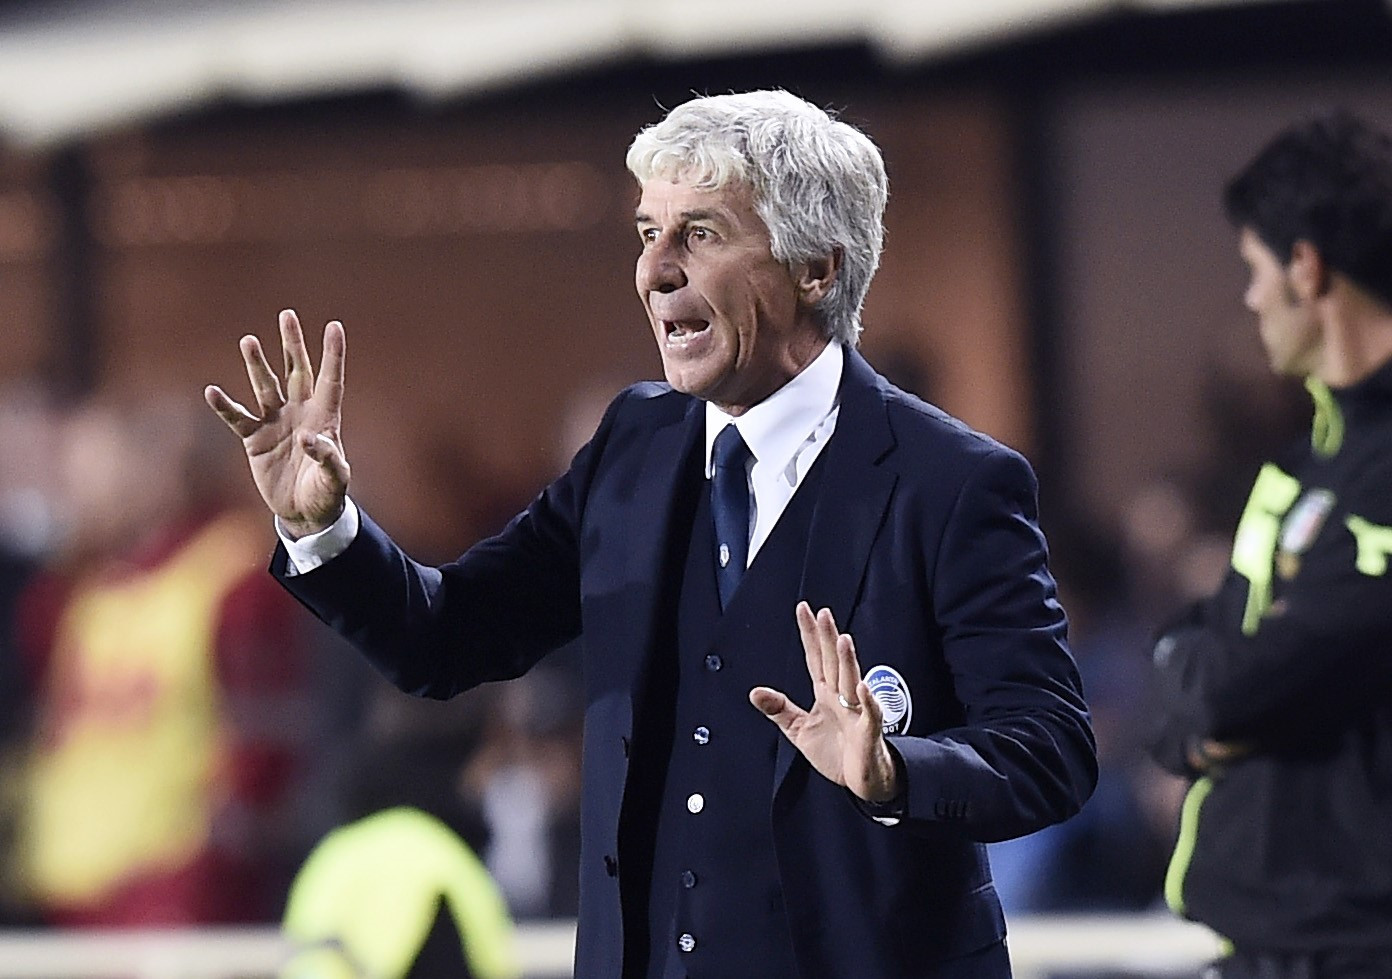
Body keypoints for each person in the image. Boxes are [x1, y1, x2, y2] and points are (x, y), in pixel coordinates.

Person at [207, 90, 1096, 978]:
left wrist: (897, 770)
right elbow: (448, 636)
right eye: (647, 233)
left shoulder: (951, 481)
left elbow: (1050, 747)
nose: (654, 270)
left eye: (700, 234)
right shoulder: (633, 446)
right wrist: (321, 525)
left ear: (818, 270)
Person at [1150, 111, 1392, 978]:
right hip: (1265, 948)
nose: (1251, 299)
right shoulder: (1301, 467)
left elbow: (1255, 680)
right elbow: (1198, 673)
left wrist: (1212, 699)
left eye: (1255, 270)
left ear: (1306, 266)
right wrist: (1200, 708)